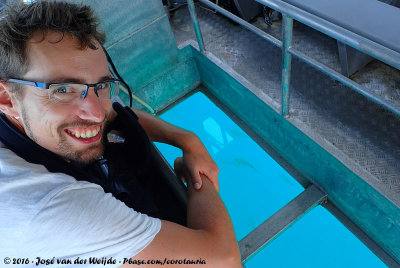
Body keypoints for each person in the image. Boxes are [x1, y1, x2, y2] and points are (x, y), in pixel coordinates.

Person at [0, 1, 241, 267]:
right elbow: (222, 259)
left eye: (101, 85)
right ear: (7, 98)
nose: (96, 113)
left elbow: (115, 112)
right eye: (62, 89)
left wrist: (186, 139)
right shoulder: (42, 208)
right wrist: (198, 180)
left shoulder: (24, 115)